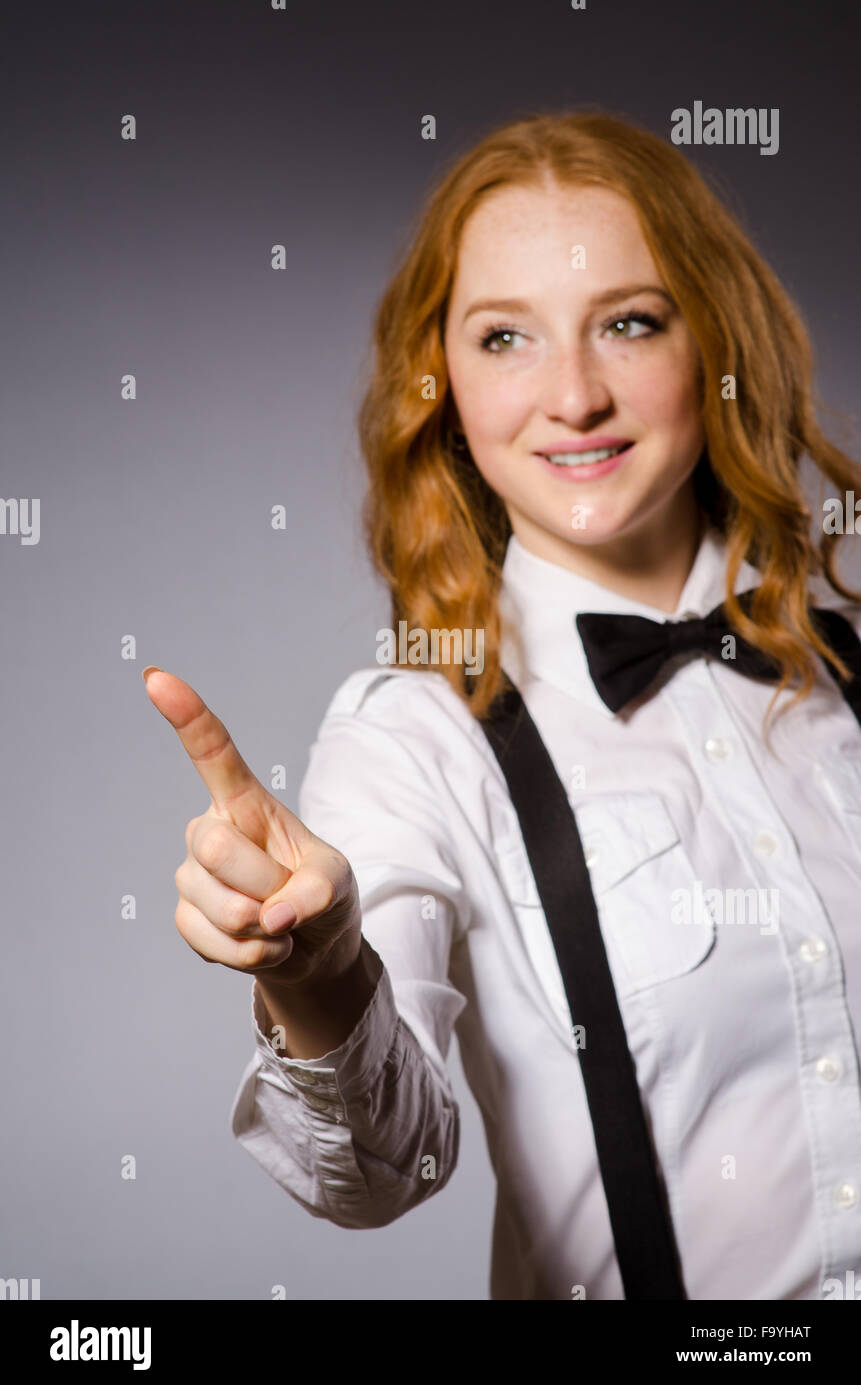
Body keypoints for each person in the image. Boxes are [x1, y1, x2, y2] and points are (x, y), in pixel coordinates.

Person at [143, 109, 861, 1301]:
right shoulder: (415, 733)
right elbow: (381, 1169)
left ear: (715, 342)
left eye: (629, 323)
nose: (574, 395)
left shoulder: (844, 677)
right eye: (505, 338)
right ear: (445, 387)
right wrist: (319, 981)